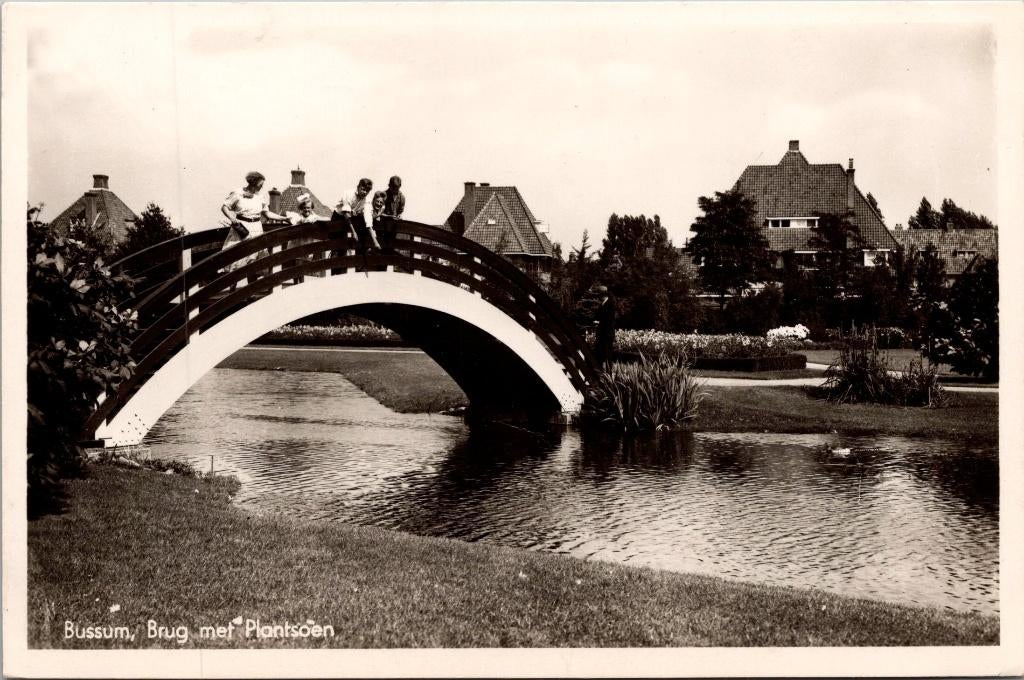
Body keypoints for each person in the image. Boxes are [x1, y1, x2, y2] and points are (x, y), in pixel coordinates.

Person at [220, 171, 288, 274]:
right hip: (241, 228)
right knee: (237, 259)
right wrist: (232, 218)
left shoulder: (260, 197)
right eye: (260, 184)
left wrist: (284, 219)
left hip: (256, 228)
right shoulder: (238, 193)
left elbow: (267, 214)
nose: (262, 186)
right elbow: (224, 207)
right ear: (253, 182)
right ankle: (232, 288)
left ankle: (253, 287)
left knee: (254, 259)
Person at [285, 193, 326, 278]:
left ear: (311, 208)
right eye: (304, 208)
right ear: (301, 209)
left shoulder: (314, 217)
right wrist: (300, 221)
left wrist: (317, 219)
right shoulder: (297, 217)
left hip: (308, 245)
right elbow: (291, 218)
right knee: (298, 267)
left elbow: (328, 219)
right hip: (298, 245)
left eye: (308, 208)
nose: (307, 210)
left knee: (308, 267)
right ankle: (297, 281)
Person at [594, 285, 617, 365]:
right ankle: (600, 373)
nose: (598, 297)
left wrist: (599, 323)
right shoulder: (602, 305)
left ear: (603, 295)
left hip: (607, 334)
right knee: (600, 355)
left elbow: (609, 320)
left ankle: (608, 374)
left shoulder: (610, 305)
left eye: (599, 295)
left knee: (607, 355)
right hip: (602, 334)